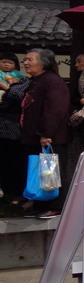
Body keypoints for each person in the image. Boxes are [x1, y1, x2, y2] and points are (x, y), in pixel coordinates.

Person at [20, 48, 70, 218]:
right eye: (25, 59)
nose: (26, 63)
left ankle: (56, 206)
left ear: (44, 63)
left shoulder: (52, 81)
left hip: (50, 137)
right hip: (35, 136)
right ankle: (40, 204)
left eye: (30, 59)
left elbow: (55, 110)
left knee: (52, 172)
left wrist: (46, 133)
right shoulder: (36, 80)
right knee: (40, 173)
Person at [0, 71, 29, 205]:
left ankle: (18, 193)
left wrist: (5, 87)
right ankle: (8, 192)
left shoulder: (26, 81)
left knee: (16, 161)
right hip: (3, 128)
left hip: (15, 130)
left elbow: (21, 98)